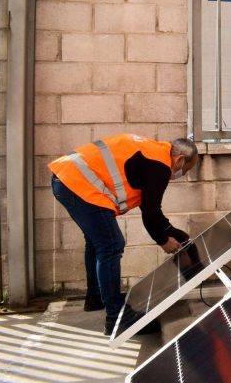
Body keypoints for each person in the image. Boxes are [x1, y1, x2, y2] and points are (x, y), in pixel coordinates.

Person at [48, 134, 199, 335]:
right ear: (179, 159)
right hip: (77, 182)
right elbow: (151, 214)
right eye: (185, 170)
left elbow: (151, 210)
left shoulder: (153, 152)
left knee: (97, 243)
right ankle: (116, 318)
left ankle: (95, 298)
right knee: (111, 245)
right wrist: (163, 241)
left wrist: (177, 235)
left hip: (66, 178)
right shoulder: (161, 165)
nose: (182, 174)